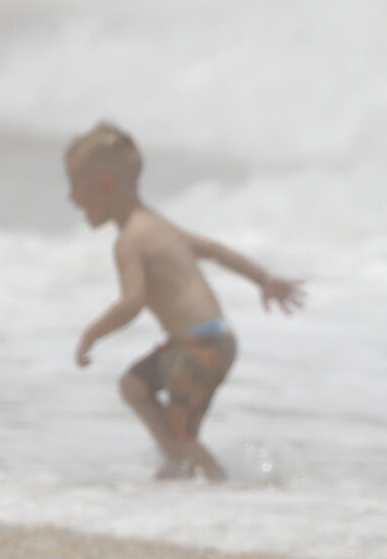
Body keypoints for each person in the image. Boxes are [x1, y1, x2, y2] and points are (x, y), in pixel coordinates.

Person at [65, 121, 305, 480]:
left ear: (104, 185)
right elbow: (215, 250)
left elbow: (132, 303)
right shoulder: (156, 224)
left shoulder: (130, 239)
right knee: (134, 387)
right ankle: (178, 466)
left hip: (200, 347)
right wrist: (263, 278)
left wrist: (91, 334)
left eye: (75, 187)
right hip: (202, 340)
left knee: (184, 436)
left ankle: (217, 485)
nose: (71, 198)